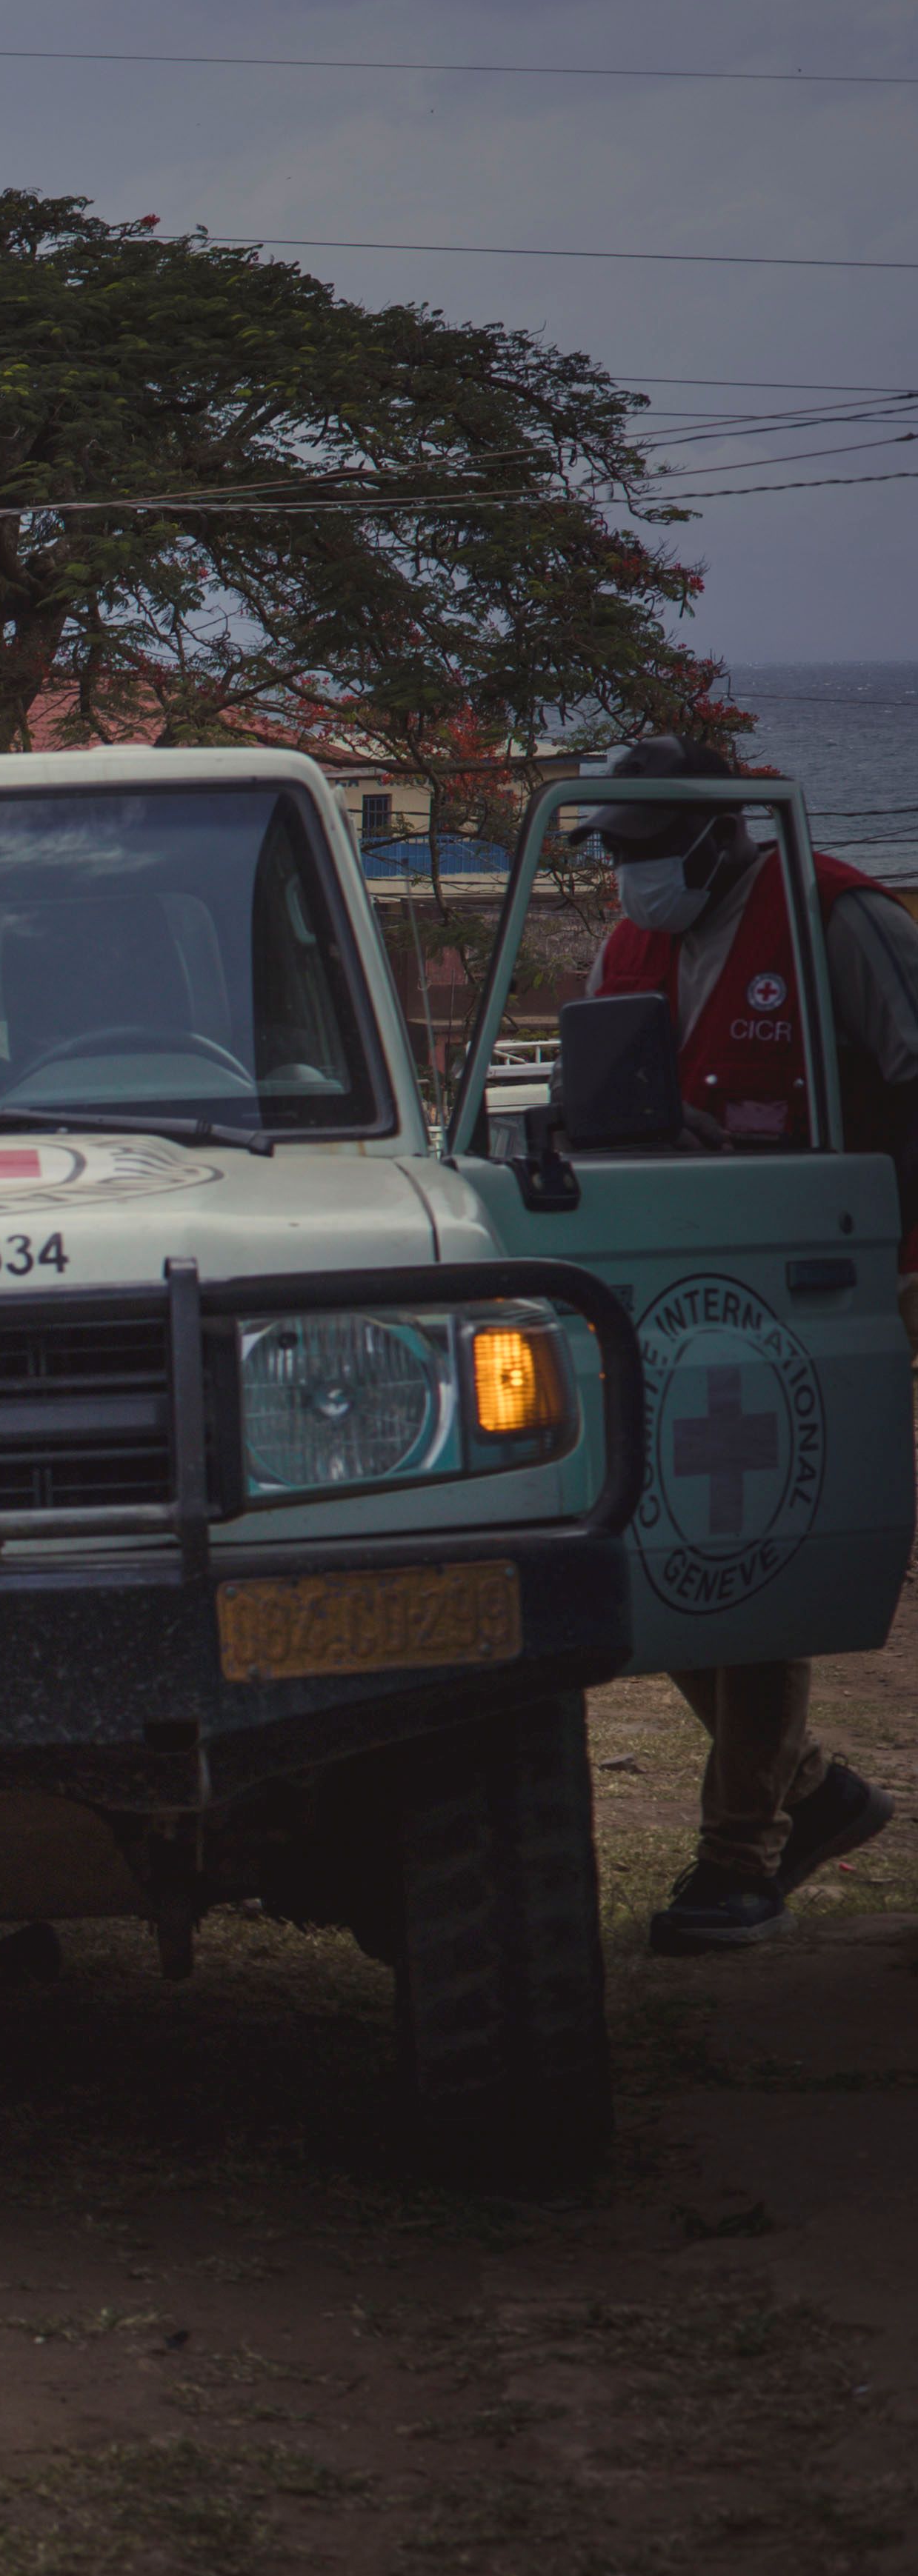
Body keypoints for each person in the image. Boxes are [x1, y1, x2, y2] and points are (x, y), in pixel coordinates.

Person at [577, 737, 918, 1949]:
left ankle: (743, 1852)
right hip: (682, 1287)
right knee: (667, 1545)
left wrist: (891, 1250)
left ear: (722, 835)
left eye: (648, 850)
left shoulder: (841, 918)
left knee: (760, 1546)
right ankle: (812, 1790)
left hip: (835, 1279)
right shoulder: (630, 947)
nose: (629, 875)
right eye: (613, 852)